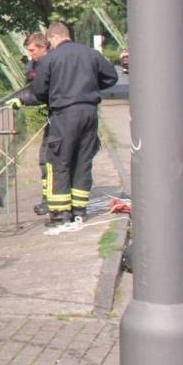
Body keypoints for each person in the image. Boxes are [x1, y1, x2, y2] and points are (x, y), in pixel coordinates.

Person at [29, 22, 119, 226]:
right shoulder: (91, 54)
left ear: (52, 38)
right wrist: (91, 86)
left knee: (59, 161)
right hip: (89, 112)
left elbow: (39, 91)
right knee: (83, 159)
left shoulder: (50, 58)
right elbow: (111, 77)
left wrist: (52, 96)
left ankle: (60, 215)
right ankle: (79, 209)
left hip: (64, 114)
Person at [8, 32, 51, 215]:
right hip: (59, 116)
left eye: (33, 50)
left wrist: (23, 100)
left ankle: (51, 202)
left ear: (44, 47)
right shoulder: (37, 64)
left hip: (60, 118)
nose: (31, 55)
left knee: (47, 158)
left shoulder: (50, 65)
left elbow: (42, 90)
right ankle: (54, 201)